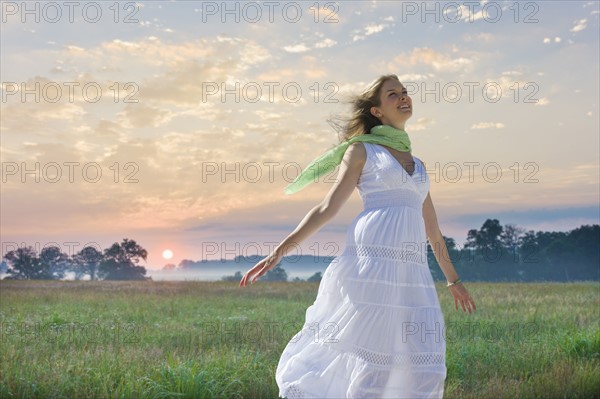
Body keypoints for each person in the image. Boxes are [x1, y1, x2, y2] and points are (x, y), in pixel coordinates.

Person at [239, 74, 476, 399]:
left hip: (411, 273)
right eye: (393, 94)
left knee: (427, 366)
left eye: (405, 92)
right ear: (377, 112)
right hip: (372, 266)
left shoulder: (419, 165)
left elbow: (433, 231)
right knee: (371, 362)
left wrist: (453, 280)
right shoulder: (362, 151)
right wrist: (280, 250)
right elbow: (327, 207)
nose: (403, 97)